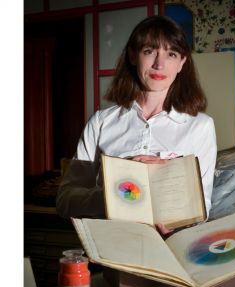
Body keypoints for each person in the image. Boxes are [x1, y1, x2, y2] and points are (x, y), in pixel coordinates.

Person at [56, 15, 217, 234]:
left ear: (182, 63)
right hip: (112, 252)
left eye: (171, 54)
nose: (159, 64)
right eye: (149, 51)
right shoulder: (102, 122)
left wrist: (175, 221)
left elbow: (203, 208)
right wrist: (116, 192)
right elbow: (66, 201)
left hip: (171, 255)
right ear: (133, 55)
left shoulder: (201, 126)